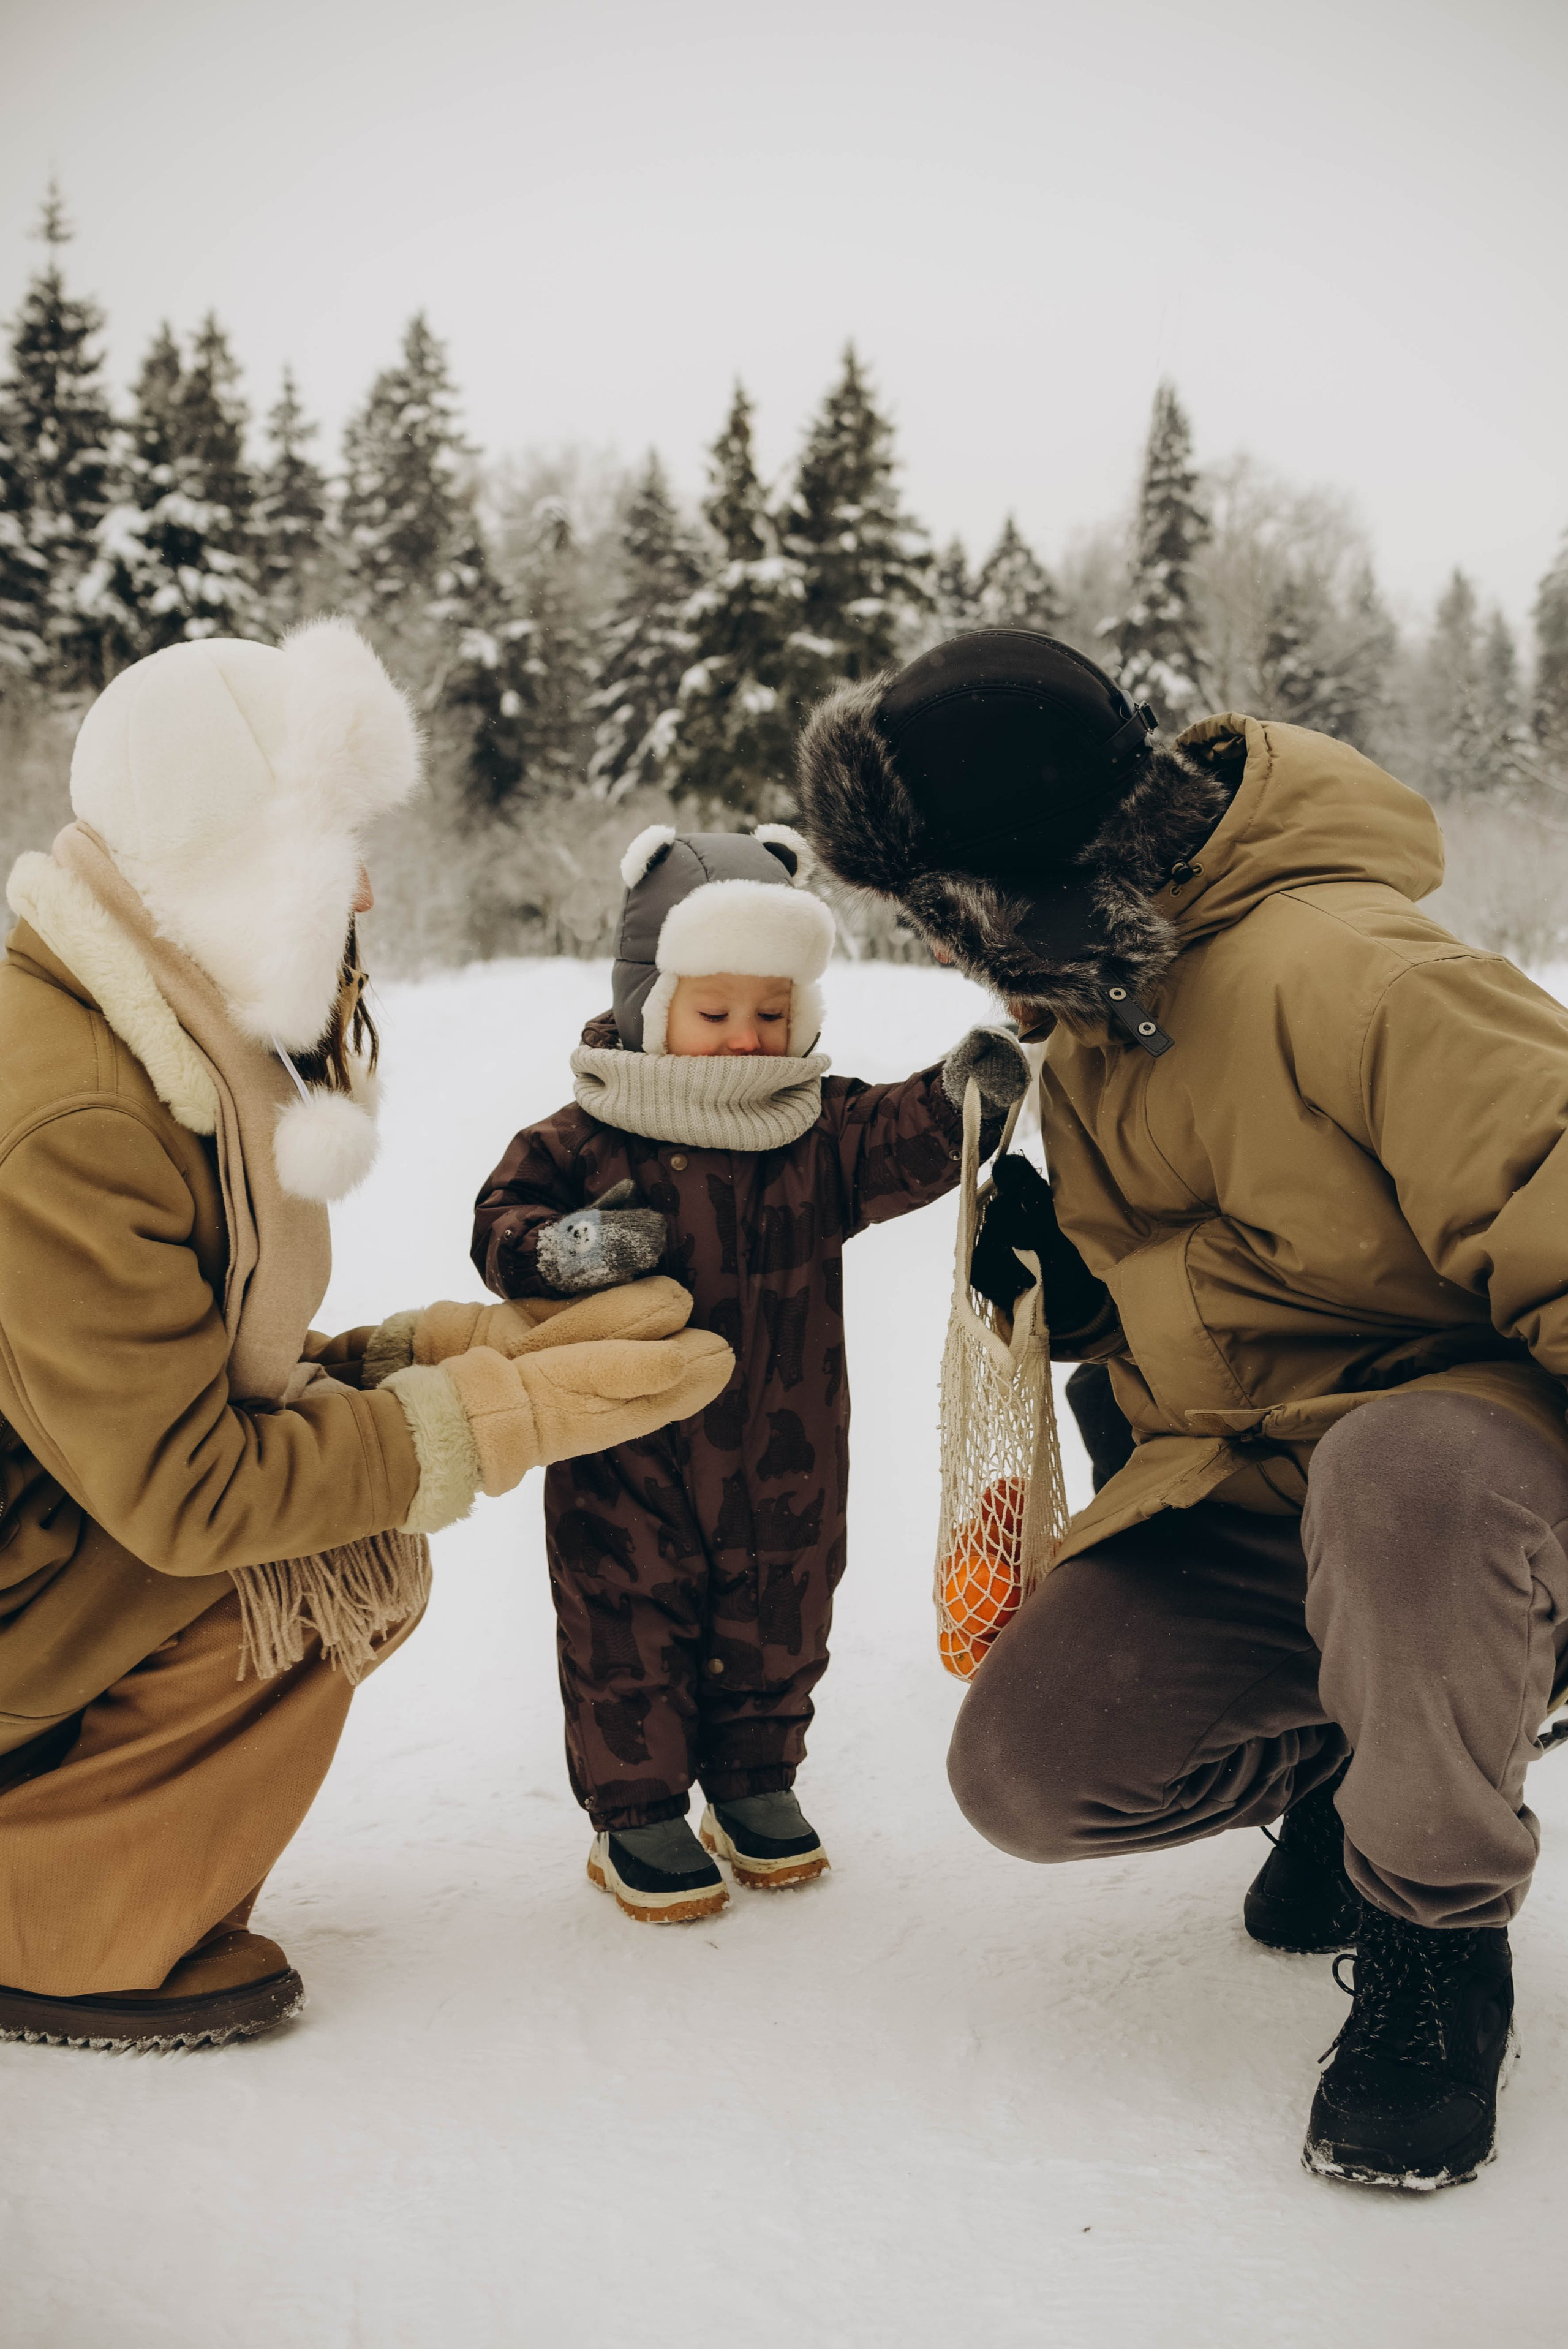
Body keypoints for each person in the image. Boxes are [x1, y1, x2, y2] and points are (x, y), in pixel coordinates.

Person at [796, 626, 1568, 2192]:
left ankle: (1434, 1944)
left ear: (1022, 871)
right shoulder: (1099, 1015)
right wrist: (1070, 1291)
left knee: (1400, 1471)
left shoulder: (1351, 975)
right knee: (1029, 1772)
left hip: (1466, 1484)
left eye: (940, 909)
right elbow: (1208, 1284)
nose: (940, 949)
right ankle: (1364, 1759)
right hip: (1263, 1482)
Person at [0, 622, 732, 2051]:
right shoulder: (80, 1110)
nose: (371, 893)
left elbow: (165, 1386)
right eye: (334, 851)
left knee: (349, 1527)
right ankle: (55, 1918)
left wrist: (435, 1353)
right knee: (332, 1563)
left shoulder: (138, 1030)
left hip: (37, 1543)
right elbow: (186, 1487)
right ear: (242, 864)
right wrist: (492, 1421)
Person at [470, 822, 1026, 1922]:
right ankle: (636, 1809)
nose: (744, 1037)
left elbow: (899, 1135)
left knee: (783, 1614)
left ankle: (756, 1780)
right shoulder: (586, 1135)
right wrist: (562, 1247)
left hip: (788, 1448)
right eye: (714, 1013)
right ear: (650, 1002)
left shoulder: (813, 1129)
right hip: (626, 1450)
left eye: (771, 1014)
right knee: (626, 1619)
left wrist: (969, 1091)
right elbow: (502, 1224)